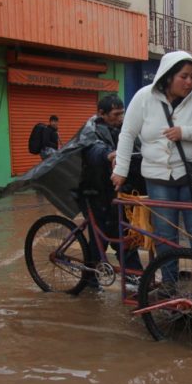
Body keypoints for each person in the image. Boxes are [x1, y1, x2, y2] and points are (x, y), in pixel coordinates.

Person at [111, 51, 192, 292]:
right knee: (164, 235)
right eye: (184, 76)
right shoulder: (143, 98)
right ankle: (169, 286)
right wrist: (121, 169)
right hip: (158, 179)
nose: (190, 82)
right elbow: (127, 134)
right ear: (168, 76)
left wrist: (185, 132)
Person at [77, 95, 144, 289]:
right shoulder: (90, 130)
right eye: (116, 114)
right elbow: (93, 151)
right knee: (99, 240)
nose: (120, 118)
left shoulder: (125, 129)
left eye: (122, 113)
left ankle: (135, 279)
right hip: (95, 193)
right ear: (102, 114)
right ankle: (90, 282)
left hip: (118, 192)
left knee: (125, 236)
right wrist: (109, 154)